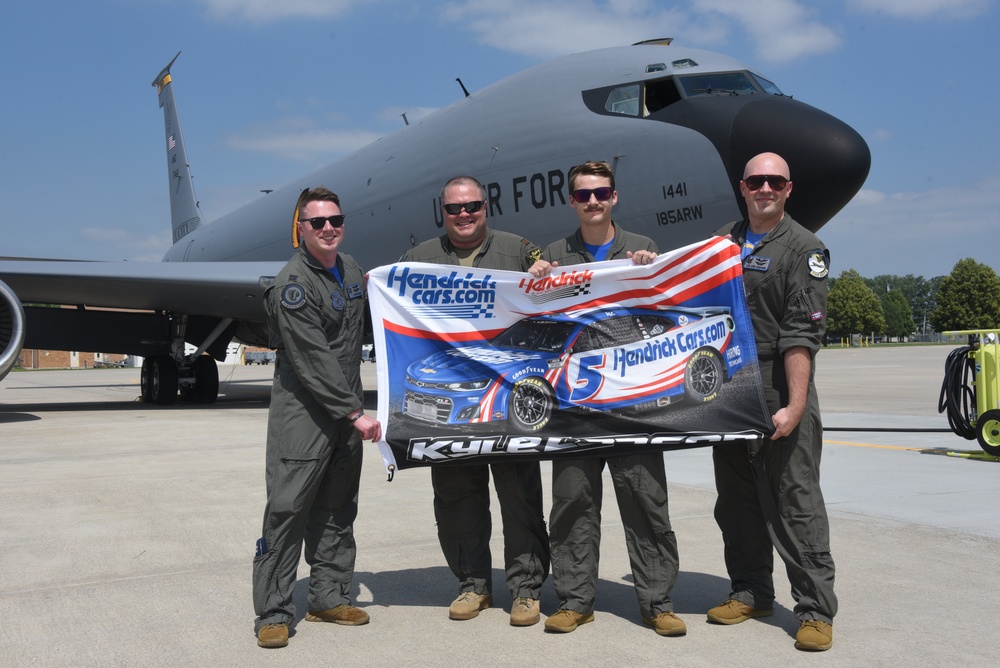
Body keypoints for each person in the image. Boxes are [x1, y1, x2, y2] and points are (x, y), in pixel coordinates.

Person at [527, 160, 686, 637]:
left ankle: (657, 601)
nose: (592, 201)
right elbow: (534, 316)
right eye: (583, 195)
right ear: (571, 201)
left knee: (646, 499)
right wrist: (536, 278)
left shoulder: (642, 249)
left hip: (633, 404)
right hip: (574, 405)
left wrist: (650, 271)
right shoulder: (555, 254)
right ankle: (576, 600)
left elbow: (664, 310)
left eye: (600, 193)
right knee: (572, 501)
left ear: (614, 197)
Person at [400, 176, 551, 626]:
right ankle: (473, 585)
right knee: (456, 498)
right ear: (441, 212)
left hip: (508, 398)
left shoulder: (519, 251)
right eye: (454, 209)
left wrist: (544, 274)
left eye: (472, 207)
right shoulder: (418, 260)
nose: (464, 216)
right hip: (452, 398)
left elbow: (554, 290)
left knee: (519, 496)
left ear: (487, 207)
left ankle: (525, 589)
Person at [708, 152, 836, 651]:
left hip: (778, 379)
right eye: (756, 181)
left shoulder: (805, 247)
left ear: (788, 188)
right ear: (743, 187)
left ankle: (815, 610)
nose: (765, 188)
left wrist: (796, 403)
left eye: (774, 181)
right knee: (736, 500)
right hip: (728, 384)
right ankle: (751, 591)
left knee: (794, 500)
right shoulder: (723, 240)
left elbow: (800, 336)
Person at [252, 187, 383, 649]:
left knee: (336, 509)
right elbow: (312, 360)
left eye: (335, 220)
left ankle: (328, 597)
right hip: (306, 415)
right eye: (317, 222)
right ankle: (273, 611)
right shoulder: (293, 284)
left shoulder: (350, 269)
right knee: (287, 512)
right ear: (300, 229)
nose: (328, 228)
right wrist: (354, 412)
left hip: (344, 418)